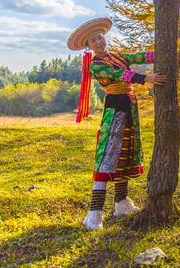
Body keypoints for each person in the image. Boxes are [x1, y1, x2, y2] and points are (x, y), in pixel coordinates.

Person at [67, 17, 167, 230]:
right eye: (93, 41)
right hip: (115, 109)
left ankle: (121, 203)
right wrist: (145, 78)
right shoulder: (97, 65)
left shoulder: (118, 56)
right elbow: (119, 75)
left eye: (100, 37)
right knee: (108, 154)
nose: (99, 42)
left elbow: (138, 56)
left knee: (126, 151)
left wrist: (162, 51)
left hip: (129, 106)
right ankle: (94, 214)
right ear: (89, 47)